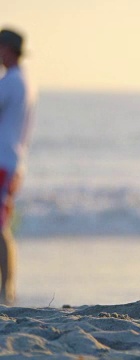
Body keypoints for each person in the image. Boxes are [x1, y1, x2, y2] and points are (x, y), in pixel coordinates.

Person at [0, 28, 36, 305]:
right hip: (13, 160)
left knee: (1, 226)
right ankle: (7, 289)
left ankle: (7, 290)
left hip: (4, 160)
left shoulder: (11, 82)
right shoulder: (23, 82)